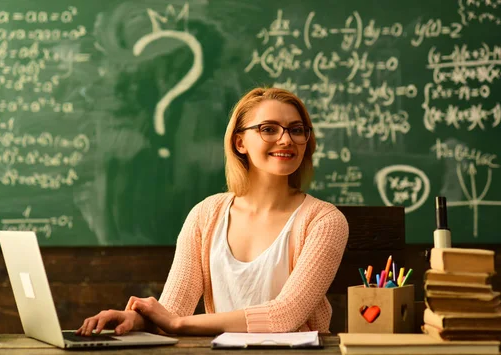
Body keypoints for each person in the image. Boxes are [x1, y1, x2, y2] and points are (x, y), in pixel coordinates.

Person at [76, 87, 349, 336]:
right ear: (240, 142)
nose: (286, 140)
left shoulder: (324, 221)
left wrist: (177, 323)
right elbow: (173, 309)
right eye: (268, 129)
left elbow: (285, 316)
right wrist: (135, 318)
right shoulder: (205, 215)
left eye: (296, 129)